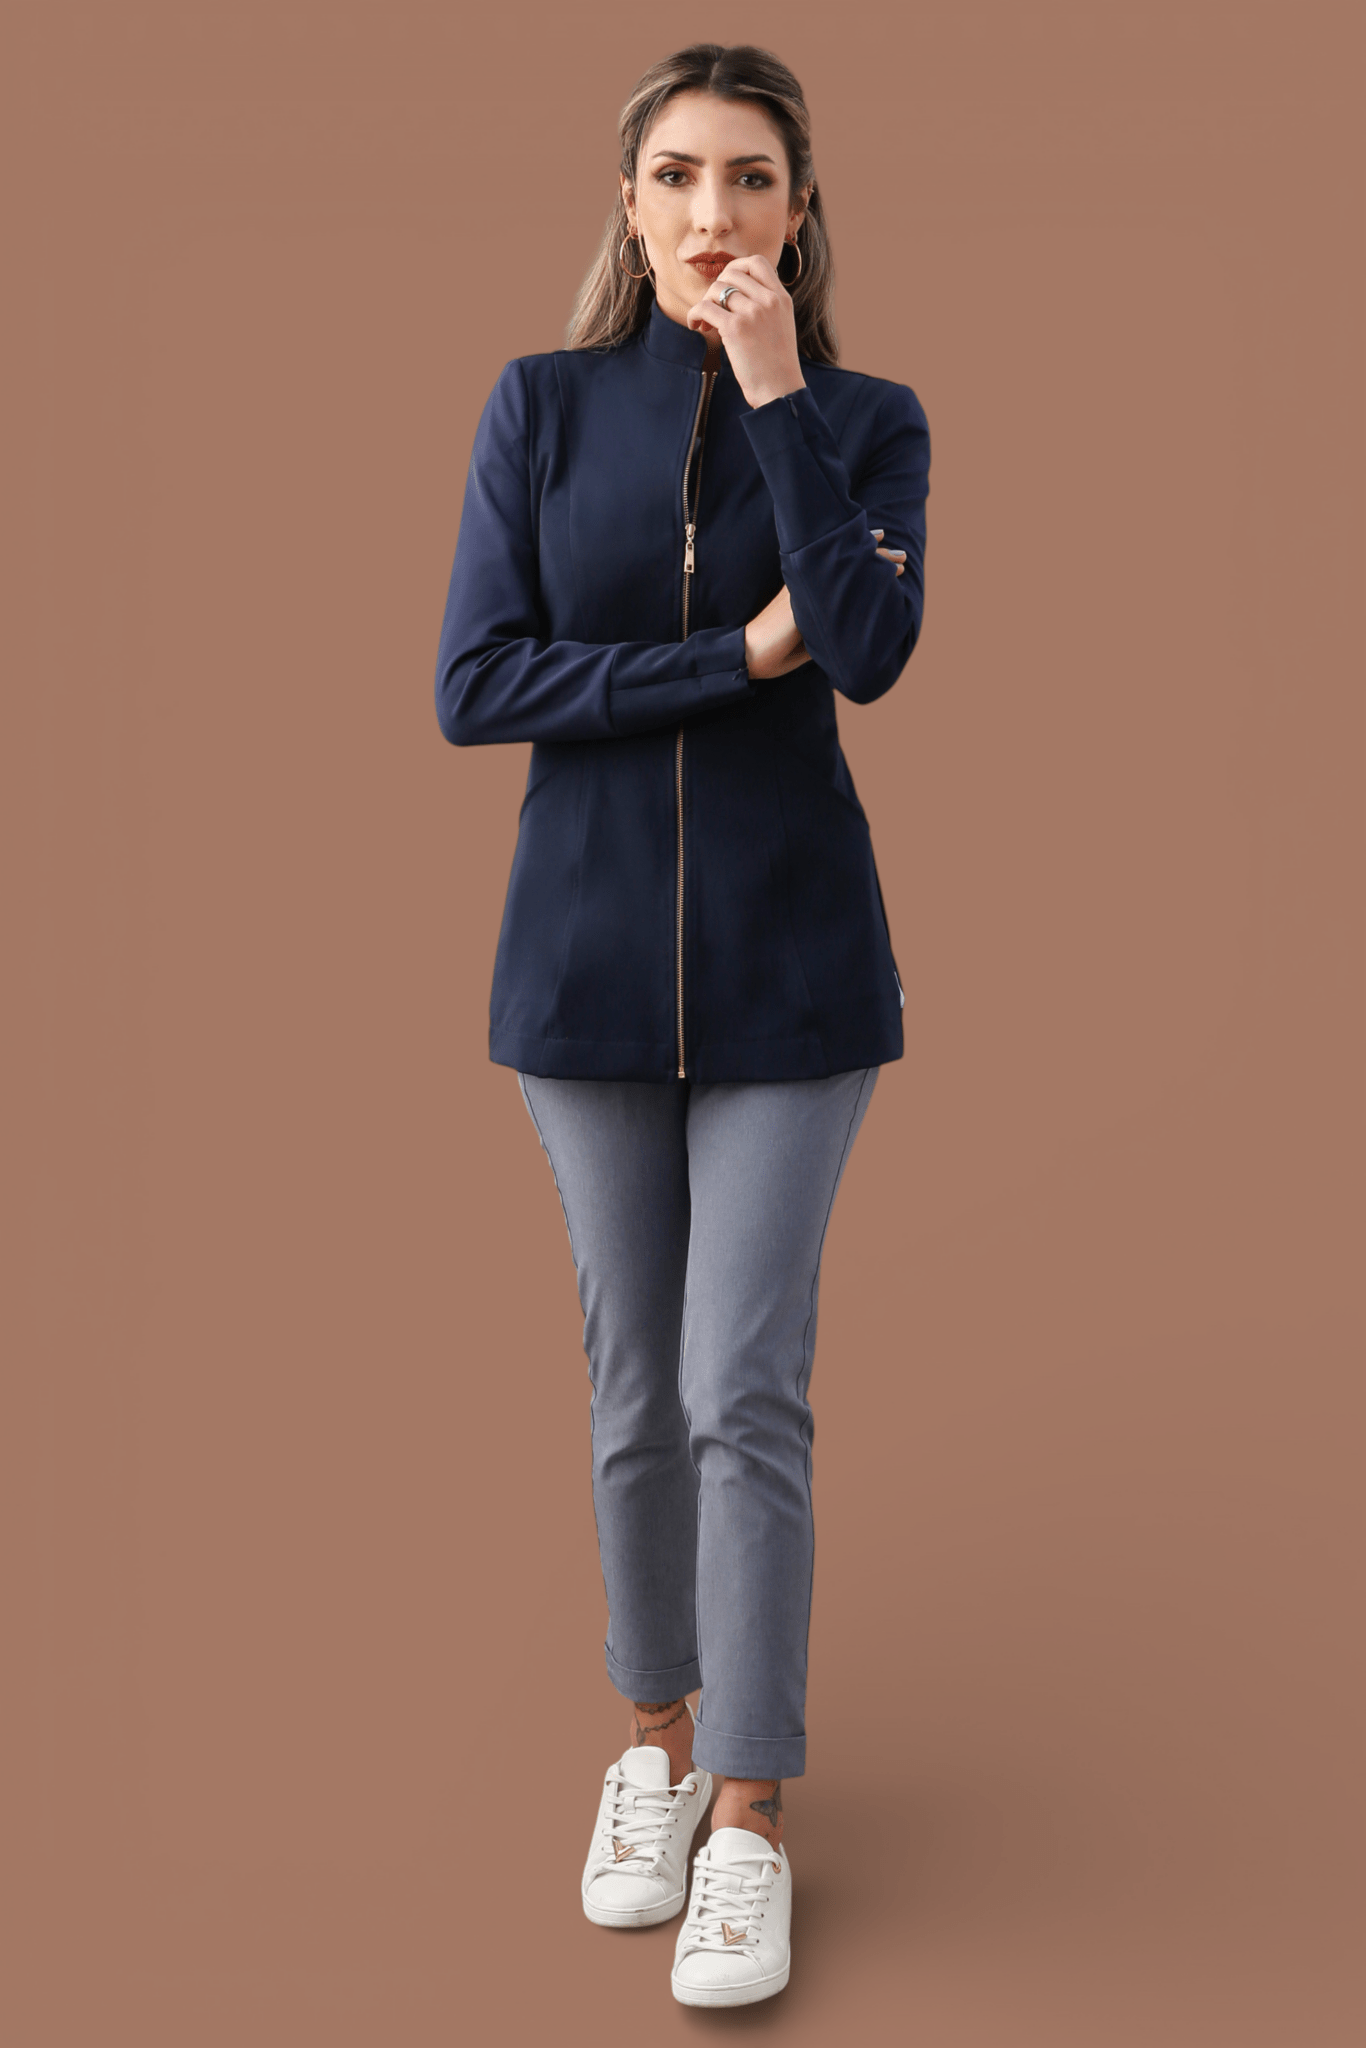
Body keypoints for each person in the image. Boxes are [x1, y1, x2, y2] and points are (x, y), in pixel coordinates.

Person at [434, 41, 929, 2009]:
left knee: (743, 1386)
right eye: (675, 176)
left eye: (748, 178)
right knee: (633, 1386)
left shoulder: (868, 419)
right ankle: (648, 1744)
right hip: (577, 975)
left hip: (796, 980)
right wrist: (726, 657)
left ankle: (748, 1814)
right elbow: (477, 682)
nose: (710, 212)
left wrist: (777, 391)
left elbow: (868, 650)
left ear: (798, 211)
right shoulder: (538, 406)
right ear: (625, 204)